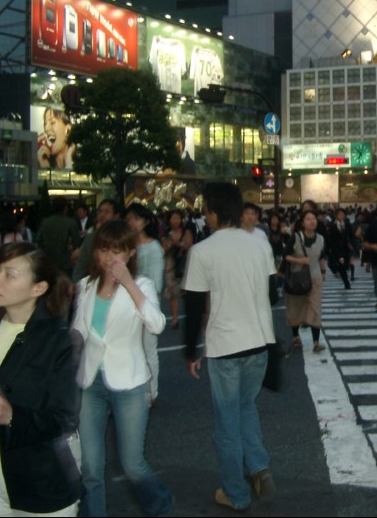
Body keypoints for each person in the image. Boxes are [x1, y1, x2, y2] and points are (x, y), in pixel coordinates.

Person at [0, 242, 81, 516]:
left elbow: (65, 418)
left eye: (10, 274)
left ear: (38, 288)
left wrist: (12, 416)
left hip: (41, 483)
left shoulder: (59, 340)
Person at [183, 182, 277, 511]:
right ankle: (259, 466)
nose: (203, 213)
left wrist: (190, 351)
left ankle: (235, 493)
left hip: (225, 345)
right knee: (246, 406)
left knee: (226, 422)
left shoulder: (203, 251)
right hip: (260, 340)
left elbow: (193, 307)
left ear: (213, 210)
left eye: (205, 207)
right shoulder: (259, 245)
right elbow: (273, 292)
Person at [72, 220, 173, 517]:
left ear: (130, 253)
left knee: (132, 463)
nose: (109, 257)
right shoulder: (86, 286)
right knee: (90, 466)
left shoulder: (142, 285)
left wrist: (128, 283)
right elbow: (78, 329)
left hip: (129, 382)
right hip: (90, 382)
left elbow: (156, 325)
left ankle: (161, 504)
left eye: (117, 250)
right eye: (104, 249)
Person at [125, 203, 165, 407]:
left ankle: (151, 392)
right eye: (130, 218)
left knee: (148, 349)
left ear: (146, 221)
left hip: (146, 302)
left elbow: (156, 282)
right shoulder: (125, 245)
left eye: (136, 218)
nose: (132, 222)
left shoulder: (154, 247)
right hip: (124, 303)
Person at [285, 210, 327, 351]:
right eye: (308, 219)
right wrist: (300, 260)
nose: (312, 221)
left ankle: (316, 342)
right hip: (297, 279)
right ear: (302, 223)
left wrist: (323, 271)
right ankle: (295, 336)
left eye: (313, 218)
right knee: (296, 308)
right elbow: (286, 256)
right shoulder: (295, 237)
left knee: (316, 309)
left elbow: (322, 257)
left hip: (315, 278)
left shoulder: (321, 239)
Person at [72, 199, 121, 283]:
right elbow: (81, 265)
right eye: (100, 211)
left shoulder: (123, 238)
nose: (102, 215)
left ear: (116, 215)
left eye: (107, 212)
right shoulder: (91, 238)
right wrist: (77, 286)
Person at [162, 209, 194, 330]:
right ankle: (175, 319)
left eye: (177, 218)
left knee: (187, 291)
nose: (175, 220)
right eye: (173, 218)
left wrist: (179, 244)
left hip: (184, 263)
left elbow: (189, 244)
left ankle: (188, 317)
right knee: (172, 292)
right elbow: (164, 248)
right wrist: (171, 244)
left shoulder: (186, 231)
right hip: (171, 264)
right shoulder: (166, 233)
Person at [36, 198, 81, 277]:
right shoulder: (70, 223)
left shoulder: (45, 222)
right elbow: (76, 244)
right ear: (65, 208)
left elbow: (39, 241)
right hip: (65, 263)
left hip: (49, 261)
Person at [328, 208, 354, 290]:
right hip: (337, 248)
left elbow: (351, 235)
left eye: (343, 215)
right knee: (341, 266)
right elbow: (331, 239)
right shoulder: (332, 226)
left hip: (346, 248)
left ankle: (347, 278)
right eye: (339, 214)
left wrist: (351, 244)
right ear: (336, 215)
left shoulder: (347, 223)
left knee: (346, 265)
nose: (341, 216)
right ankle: (346, 283)